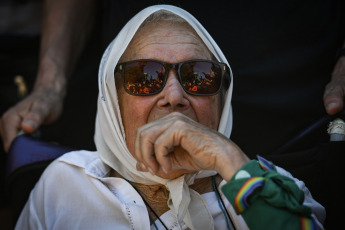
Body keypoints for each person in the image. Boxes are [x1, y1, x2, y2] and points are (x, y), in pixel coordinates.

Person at [15, 6, 325, 230]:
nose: (174, 96)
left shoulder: (273, 187)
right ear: (113, 100)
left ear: (221, 99)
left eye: (199, 76)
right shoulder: (64, 184)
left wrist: (231, 161)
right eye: (145, 77)